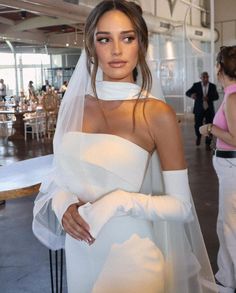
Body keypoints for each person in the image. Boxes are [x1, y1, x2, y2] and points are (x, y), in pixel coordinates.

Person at [32, 1, 217, 292]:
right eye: (105, 39)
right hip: (79, 252)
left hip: (131, 259)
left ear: (141, 45)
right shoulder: (75, 106)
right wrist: (62, 202)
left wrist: (120, 200)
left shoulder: (156, 114)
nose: (116, 50)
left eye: (127, 38)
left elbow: (182, 207)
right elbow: (59, 175)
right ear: (92, 46)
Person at [200, 45, 236, 293]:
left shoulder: (233, 97)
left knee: (229, 226)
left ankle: (229, 279)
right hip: (228, 166)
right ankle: (226, 276)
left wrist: (210, 129)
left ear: (219, 68)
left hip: (232, 165)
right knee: (225, 223)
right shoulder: (230, 94)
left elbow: (235, 137)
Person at [186, 71, 219, 149]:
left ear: (208, 77)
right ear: (200, 78)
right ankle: (198, 136)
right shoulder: (196, 85)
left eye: (206, 77)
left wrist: (209, 98)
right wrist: (191, 95)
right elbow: (187, 92)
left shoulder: (212, 86)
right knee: (197, 124)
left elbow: (216, 96)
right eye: (203, 77)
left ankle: (208, 143)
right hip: (199, 109)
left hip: (209, 109)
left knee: (209, 126)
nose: (205, 79)